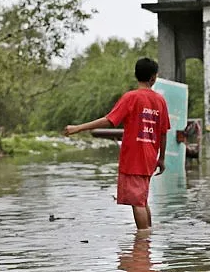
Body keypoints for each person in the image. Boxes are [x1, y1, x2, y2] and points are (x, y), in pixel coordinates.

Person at [63, 58, 169, 230]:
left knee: (138, 202)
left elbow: (109, 120)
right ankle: (147, 238)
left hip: (134, 157)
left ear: (136, 75)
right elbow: (163, 133)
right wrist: (161, 158)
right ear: (153, 78)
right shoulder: (160, 101)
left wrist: (78, 128)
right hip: (150, 156)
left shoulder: (131, 97)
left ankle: (142, 242)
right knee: (142, 198)